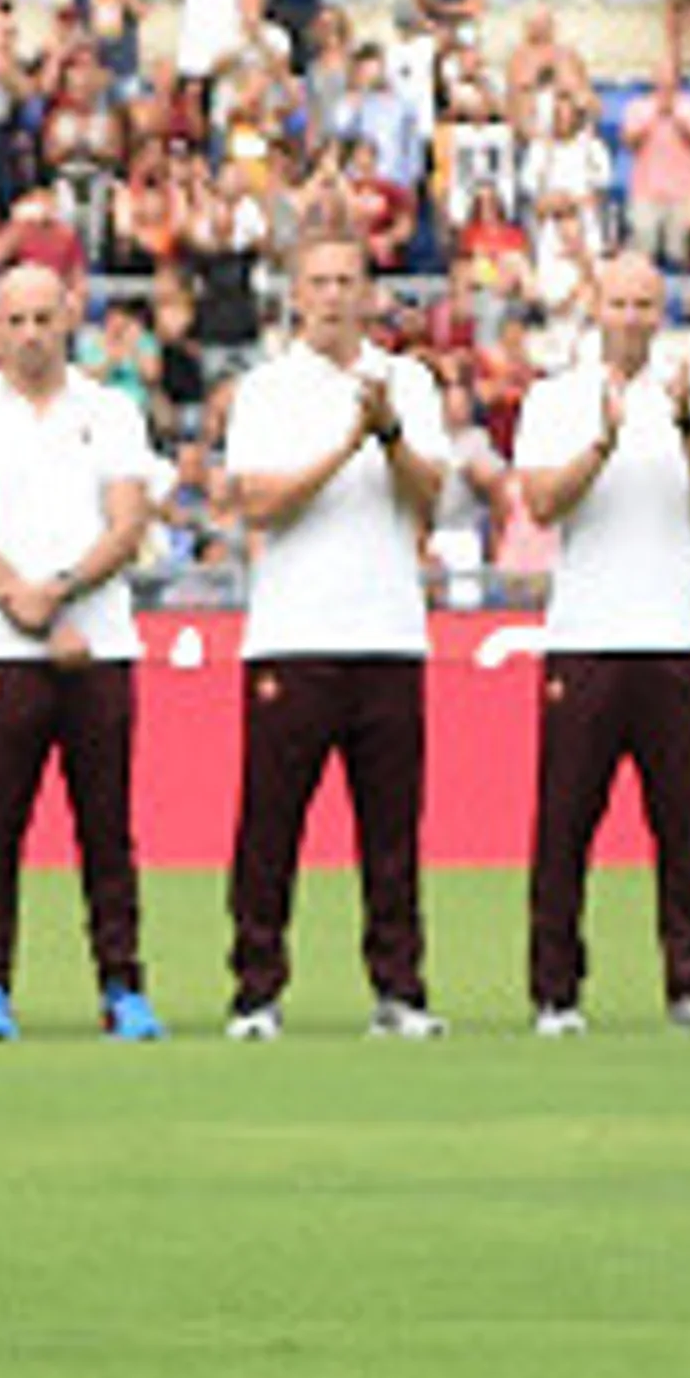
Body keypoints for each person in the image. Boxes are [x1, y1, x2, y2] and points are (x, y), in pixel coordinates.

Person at [220, 225, 451, 1038]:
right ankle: (256, 991)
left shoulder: (408, 382)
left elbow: (431, 498)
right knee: (271, 827)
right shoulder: (267, 388)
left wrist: (386, 433)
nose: (331, 296)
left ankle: (399, 990)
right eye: (317, 281)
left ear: (368, 292)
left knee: (391, 833)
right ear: (295, 293)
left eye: (346, 280)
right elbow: (257, 501)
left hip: (388, 630)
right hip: (293, 633)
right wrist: (345, 443)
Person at [511, 253, 690, 1035]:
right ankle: (556, 993)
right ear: (595, 307)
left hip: (677, 632)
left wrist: (686, 425)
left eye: (646, 303)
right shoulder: (556, 397)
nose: (632, 317)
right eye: (619, 302)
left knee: (682, 825)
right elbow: (542, 504)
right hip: (586, 636)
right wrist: (601, 445)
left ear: (661, 310)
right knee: (564, 825)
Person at [0, 259, 163, 1042]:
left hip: (100, 647)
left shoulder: (112, 411)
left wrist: (56, 593)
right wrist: (21, 605)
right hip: (3, 647)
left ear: (70, 319)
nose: (30, 335)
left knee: (106, 830)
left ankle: (123, 987)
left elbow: (127, 526)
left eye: (43, 318)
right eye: (15, 320)